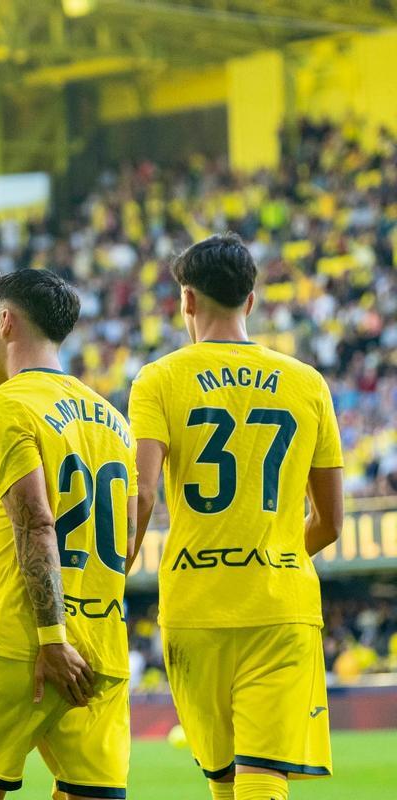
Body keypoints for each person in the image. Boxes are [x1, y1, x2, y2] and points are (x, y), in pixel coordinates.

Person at [128, 233, 343, 800]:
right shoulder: (308, 384)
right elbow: (331, 522)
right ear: (250, 301)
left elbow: (142, 497)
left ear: (187, 300)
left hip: (194, 605)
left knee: (223, 783)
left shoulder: (158, 378)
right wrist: (270, 547)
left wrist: (108, 577)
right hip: (280, 605)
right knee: (263, 779)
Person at [0, 269, 137, 800]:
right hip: (102, 647)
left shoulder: (4, 405)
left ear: (5, 322)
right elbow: (126, 530)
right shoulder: (111, 417)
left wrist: (52, 638)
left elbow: (36, 520)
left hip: (23, 643)